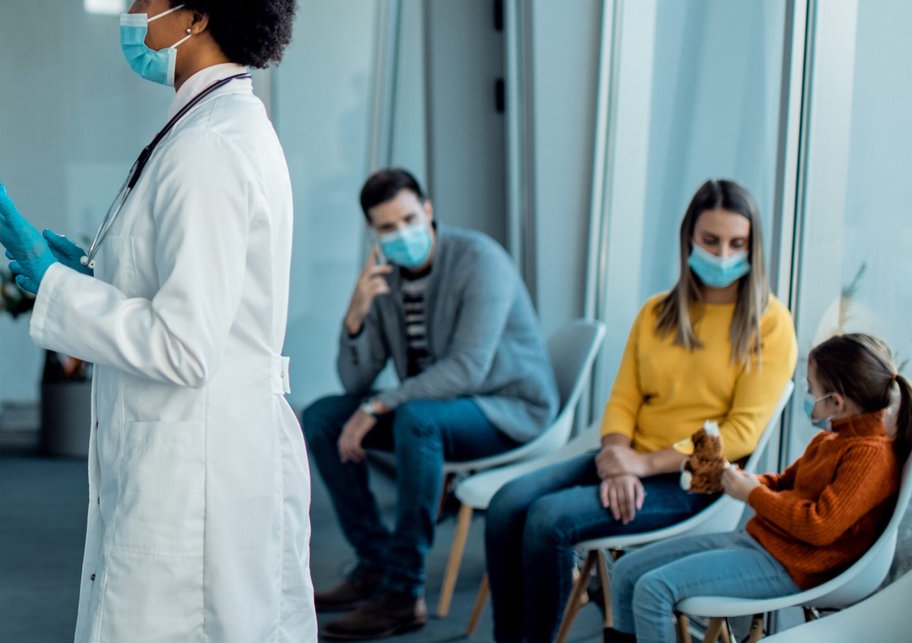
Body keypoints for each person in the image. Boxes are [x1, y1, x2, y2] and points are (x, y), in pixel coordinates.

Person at [0, 0, 315, 642]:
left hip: (197, 468)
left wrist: (50, 281)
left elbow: (183, 343)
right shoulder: (207, 127)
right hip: (192, 450)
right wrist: (83, 270)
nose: (133, 13)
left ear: (199, 13)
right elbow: (181, 288)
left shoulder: (211, 149)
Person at [484, 179, 798, 643]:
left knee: (549, 520)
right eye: (710, 240)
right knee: (506, 503)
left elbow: (742, 433)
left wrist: (644, 464)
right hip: (629, 459)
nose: (723, 254)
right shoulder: (657, 312)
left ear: (754, 248)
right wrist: (618, 460)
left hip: (695, 481)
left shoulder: (770, 324)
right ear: (688, 237)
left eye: (737, 243)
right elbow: (623, 400)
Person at [305, 168, 559, 640]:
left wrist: (377, 406)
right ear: (373, 232)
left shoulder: (480, 260)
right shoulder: (384, 279)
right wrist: (356, 315)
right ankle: (376, 564)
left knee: (415, 420)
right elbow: (354, 379)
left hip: (504, 407)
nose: (401, 234)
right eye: (387, 227)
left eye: (408, 218)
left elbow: (468, 369)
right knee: (322, 417)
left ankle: (404, 593)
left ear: (427, 210)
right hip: (433, 409)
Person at [605, 332, 909, 643]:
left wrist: (750, 494)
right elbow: (781, 484)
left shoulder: (870, 457)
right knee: (627, 569)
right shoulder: (830, 441)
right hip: (762, 542)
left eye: (810, 390)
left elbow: (818, 525)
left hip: (794, 567)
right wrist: (729, 477)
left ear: (836, 402)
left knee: (654, 589)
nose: (807, 396)